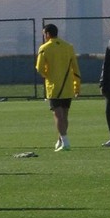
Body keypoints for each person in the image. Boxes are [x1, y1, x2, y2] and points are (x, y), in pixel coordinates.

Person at [35, 24, 81, 152]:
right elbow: (75, 68)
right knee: (64, 114)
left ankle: (65, 141)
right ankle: (61, 139)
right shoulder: (68, 47)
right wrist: (77, 86)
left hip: (54, 86)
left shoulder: (44, 47)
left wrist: (47, 75)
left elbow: (39, 67)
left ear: (47, 34)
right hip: (67, 86)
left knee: (57, 114)